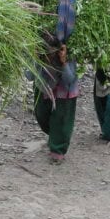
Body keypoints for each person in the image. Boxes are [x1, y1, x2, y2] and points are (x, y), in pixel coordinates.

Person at [34, 32, 78, 164]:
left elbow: (70, 79)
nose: (49, 57)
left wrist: (64, 63)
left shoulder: (68, 54)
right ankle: (55, 137)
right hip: (44, 88)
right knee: (41, 115)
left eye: (51, 54)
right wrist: (35, 60)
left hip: (64, 90)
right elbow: (29, 76)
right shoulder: (39, 56)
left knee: (61, 120)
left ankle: (58, 150)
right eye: (46, 54)